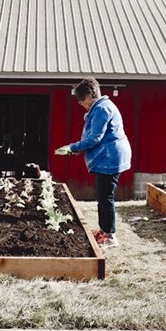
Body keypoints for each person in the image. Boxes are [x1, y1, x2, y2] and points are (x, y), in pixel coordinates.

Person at [55, 77, 131, 249]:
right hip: (109, 156)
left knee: (106, 197)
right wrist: (76, 149)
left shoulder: (102, 109)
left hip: (110, 158)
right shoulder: (101, 107)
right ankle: (104, 230)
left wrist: (72, 148)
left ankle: (110, 236)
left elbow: (94, 138)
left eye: (81, 99)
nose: (80, 103)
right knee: (102, 195)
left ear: (90, 95)